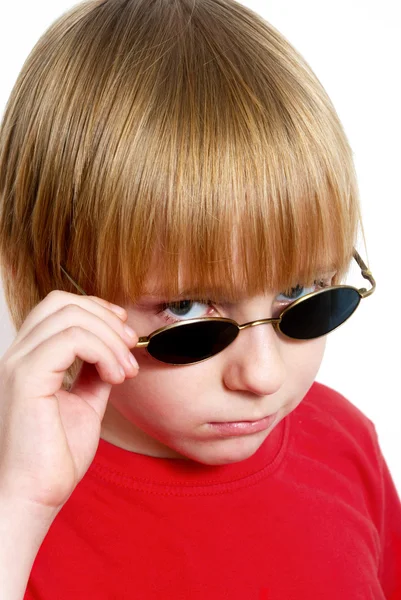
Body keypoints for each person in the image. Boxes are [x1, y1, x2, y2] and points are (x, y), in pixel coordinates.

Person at [0, 0, 400, 597]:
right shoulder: (16, 503)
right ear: (59, 285)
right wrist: (22, 504)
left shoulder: (342, 440)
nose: (262, 376)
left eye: (301, 294)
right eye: (187, 310)